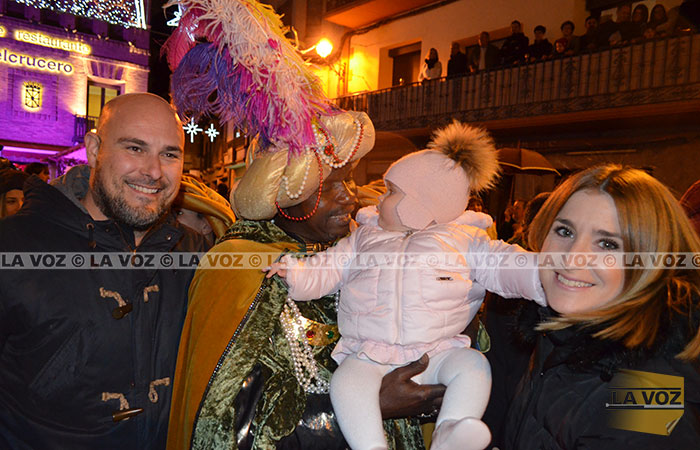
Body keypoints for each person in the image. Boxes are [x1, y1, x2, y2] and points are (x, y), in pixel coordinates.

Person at [167, 111, 444, 449]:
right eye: (329, 186)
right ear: (283, 196)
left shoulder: (366, 249)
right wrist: (368, 408)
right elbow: (227, 427)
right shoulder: (238, 268)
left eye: (350, 181)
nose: (350, 197)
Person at [265, 122, 546, 450]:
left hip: (437, 351)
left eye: (391, 192)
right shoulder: (364, 238)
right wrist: (295, 274)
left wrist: (546, 275)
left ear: (419, 204)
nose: (378, 200)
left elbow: (507, 265)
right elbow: (327, 268)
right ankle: (371, 446)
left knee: (474, 367)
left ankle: (450, 431)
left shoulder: (465, 240)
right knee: (347, 383)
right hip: (370, 352)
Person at [0, 93, 209, 449]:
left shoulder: (195, 252)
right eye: (135, 148)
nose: (154, 171)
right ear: (95, 149)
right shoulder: (14, 245)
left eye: (169, 154)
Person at [501, 164, 700, 448]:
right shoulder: (558, 332)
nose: (572, 258)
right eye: (565, 231)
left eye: (607, 244)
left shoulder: (646, 398)